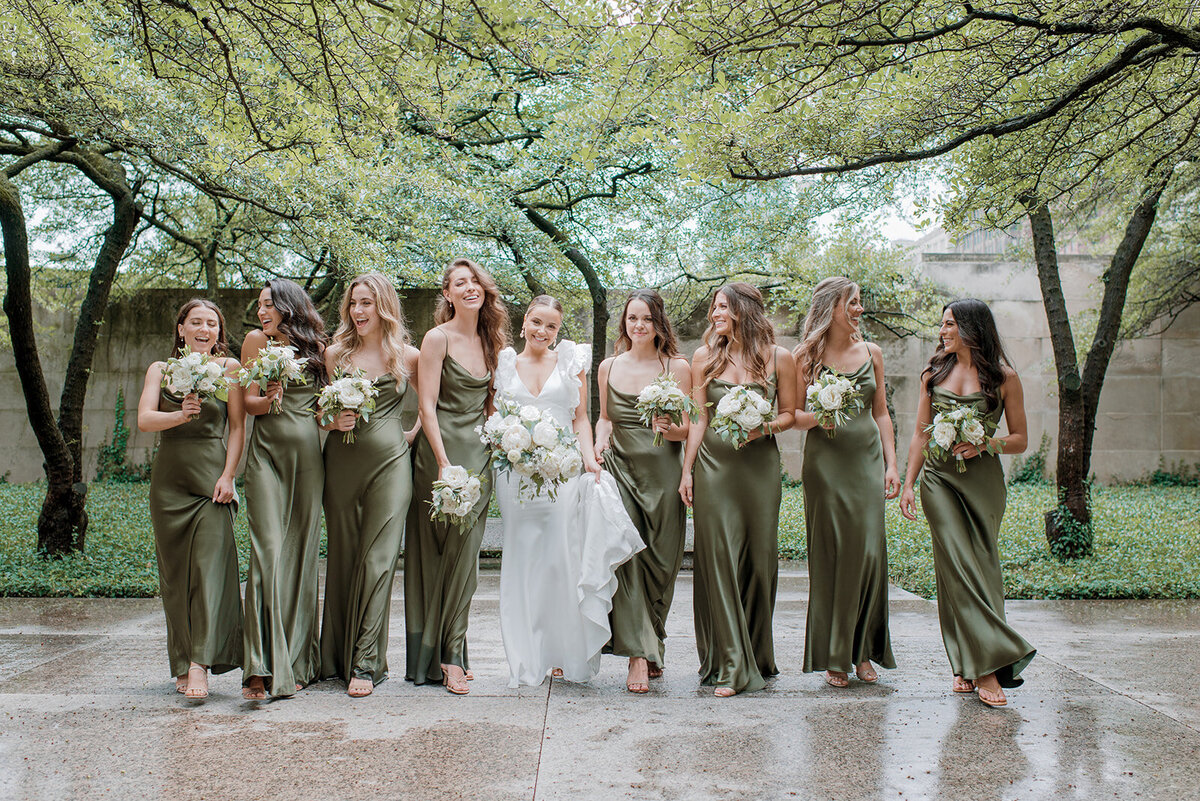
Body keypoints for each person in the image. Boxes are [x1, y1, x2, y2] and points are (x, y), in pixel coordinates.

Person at [495, 295, 644, 688]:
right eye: (537, 323)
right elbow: (493, 417)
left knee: (561, 561)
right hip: (515, 476)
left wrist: (590, 461)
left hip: (561, 474)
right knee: (523, 561)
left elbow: (580, 418)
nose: (543, 332)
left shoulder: (570, 361)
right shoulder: (506, 362)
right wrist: (505, 445)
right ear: (524, 321)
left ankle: (560, 653)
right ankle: (526, 658)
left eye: (552, 327)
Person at [899, 298, 1036, 708]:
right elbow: (921, 434)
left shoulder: (1004, 378)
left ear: (973, 328)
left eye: (950, 324)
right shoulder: (933, 372)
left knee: (982, 570)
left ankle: (963, 661)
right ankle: (988, 669)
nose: (942, 331)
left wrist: (985, 444)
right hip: (938, 480)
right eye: (942, 324)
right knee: (956, 564)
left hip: (983, 484)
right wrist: (909, 483)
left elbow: (1020, 440)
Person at [679, 283, 797, 697]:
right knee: (719, 558)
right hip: (714, 467)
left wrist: (761, 426)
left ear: (744, 310)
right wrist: (687, 471)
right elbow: (698, 419)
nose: (715, 314)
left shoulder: (780, 358)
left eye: (722, 307)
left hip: (759, 469)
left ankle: (755, 654)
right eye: (714, 307)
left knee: (757, 559)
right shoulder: (703, 357)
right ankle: (730, 663)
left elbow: (791, 415)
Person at [405, 258, 508, 694]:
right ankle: (441, 658)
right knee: (435, 557)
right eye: (459, 283)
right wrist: (444, 464)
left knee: (465, 560)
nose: (469, 288)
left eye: (474, 281)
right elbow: (426, 406)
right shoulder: (436, 338)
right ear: (447, 295)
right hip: (440, 458)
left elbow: (489, 405)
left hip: (479, 459)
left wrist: (504, 437)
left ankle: (452, 652)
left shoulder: (492, 341)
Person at [137, 298, 245, 700]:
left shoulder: (230, 368)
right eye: (196, 322)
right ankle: (181, 662)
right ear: (181, 328)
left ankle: (200, 663)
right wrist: (179, 415)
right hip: (170, 484)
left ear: (219, 331)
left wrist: (229, 476)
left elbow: (237, 429)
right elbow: (145, 419)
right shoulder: (160, 370)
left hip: (212, 482)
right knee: (176, 577)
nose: (205, 329)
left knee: (210, 572)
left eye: (212, 324)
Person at [793, 277, 898, 688]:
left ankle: (863, 650)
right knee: (832, 555)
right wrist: (818, 414)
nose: (859, 308)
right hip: (825, 467)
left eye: (859, 302)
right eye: (852, 302)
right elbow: (794, 416)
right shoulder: (806, 357)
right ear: (831, 307)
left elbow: (882, 413)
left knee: (868, 553)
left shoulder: (872, 352)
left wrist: (891, 464)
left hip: (867, 464)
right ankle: (836, 654)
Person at [319, 273, 420, 698]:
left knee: (379, 560)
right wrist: (330, 419)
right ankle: (334, 660)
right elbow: (319, 413)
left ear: (384, 308)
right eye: (354, 304)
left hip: (391, 466)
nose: (359, 311)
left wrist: (409, 435)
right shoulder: (335, 354)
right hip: (341, 464)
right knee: (344, 556)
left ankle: (365, 662)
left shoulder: (409, 356)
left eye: (367, 303)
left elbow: (432, 408)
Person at [595, 289, 691, 693]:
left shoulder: (677, 366)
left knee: (661, 565)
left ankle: (654, 644)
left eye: (647, 319)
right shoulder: (608, 366)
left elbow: (690, 426)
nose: (638, 326)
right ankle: (636, 656)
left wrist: (670, 428)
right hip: (620, 471)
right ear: (624, 323)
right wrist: (599, 444)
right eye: (632, 318)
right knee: (629, 559)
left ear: (658, 324)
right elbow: (604, 418)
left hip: (663, 476)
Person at [240, 278, 327, 700]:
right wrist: (268, 396)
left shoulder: (318, 351)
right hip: (266, 457)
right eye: (258, 305)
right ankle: (257, 666)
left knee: (300, 556)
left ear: (289, 307)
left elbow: (324, 411)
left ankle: (294, 661)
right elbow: (247, 403)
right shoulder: (256, 342)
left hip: (308, 462)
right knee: (267, 551)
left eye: (268, 304)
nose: (261, 312)